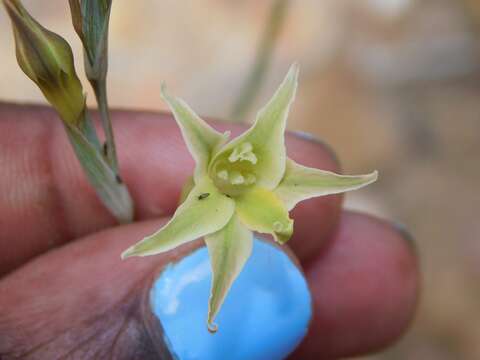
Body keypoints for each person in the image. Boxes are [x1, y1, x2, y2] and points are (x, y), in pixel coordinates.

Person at [0, 103, 418, 359]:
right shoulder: (207, 171)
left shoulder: (253, 182)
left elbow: (283, 147)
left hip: (228, 213)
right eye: (225, 162)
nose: (235, 166)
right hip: (210, 208)